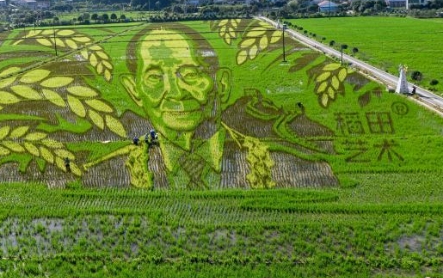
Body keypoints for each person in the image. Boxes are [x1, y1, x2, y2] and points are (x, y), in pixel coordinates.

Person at [85, 24, 336, 189]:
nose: (175, 91)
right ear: (134, 91)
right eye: (154, 77)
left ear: (222, 84)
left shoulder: (303, 172)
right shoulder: (101, 178)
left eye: (191, 74)